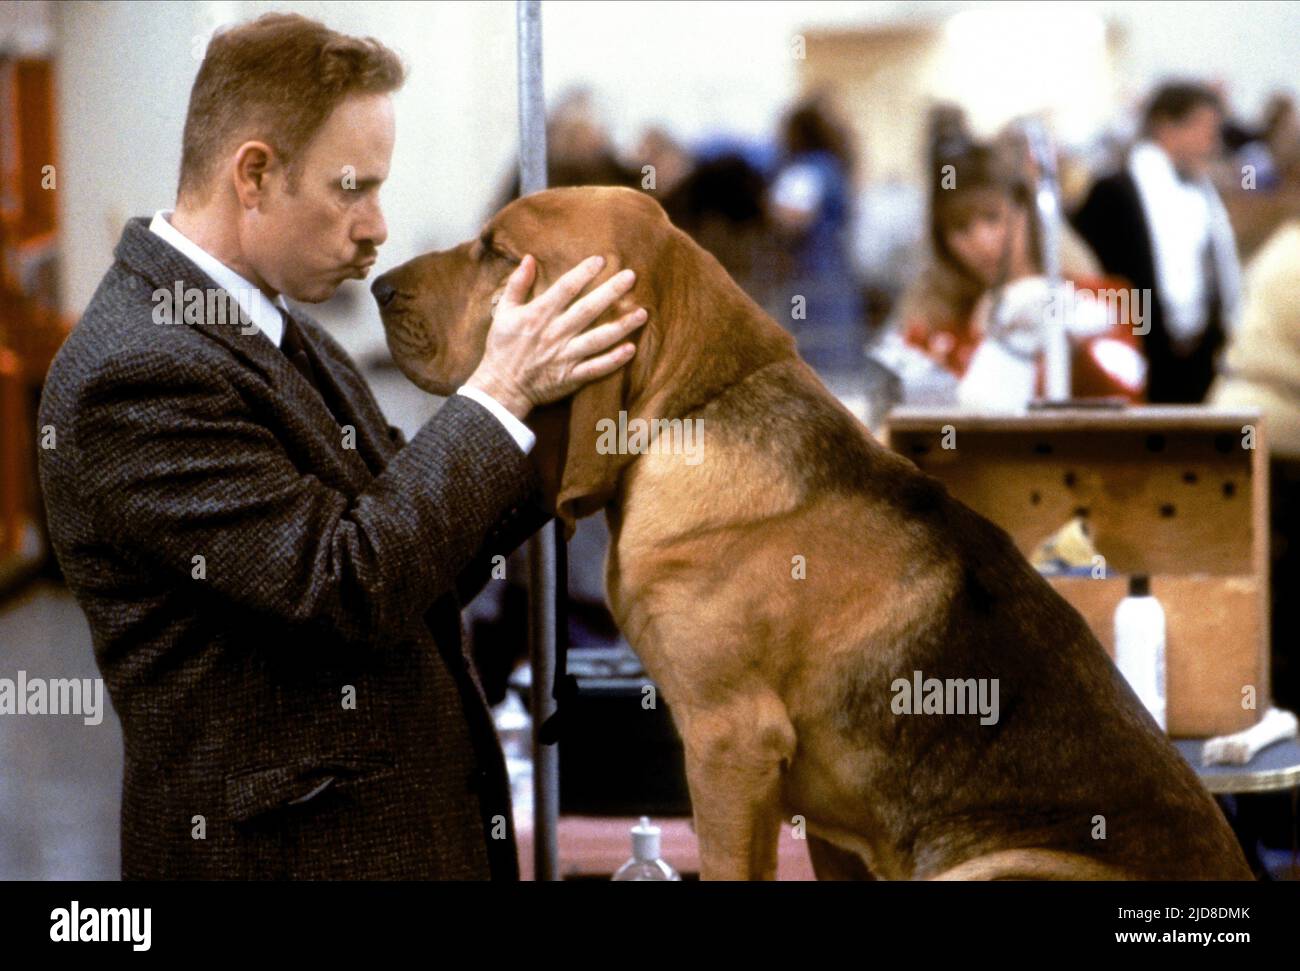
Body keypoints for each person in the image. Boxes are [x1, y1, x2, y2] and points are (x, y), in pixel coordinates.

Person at [35, 13, 645, 880]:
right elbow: (347, 581)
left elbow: (424, 544)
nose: (377, 227)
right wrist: (501, 392)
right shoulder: (137, 370)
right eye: (352, 188)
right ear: (254, 174)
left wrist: (566, 427)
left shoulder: (275, 327)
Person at [870, 142, 1145, 415]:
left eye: (993, 217)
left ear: (1027, 213)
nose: (982, 241)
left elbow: (1128, 395)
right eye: (960, 227)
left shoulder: (1107, 297)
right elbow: (920, 425)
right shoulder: (931, 326)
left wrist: (1076, 347)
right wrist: (982, 343)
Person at [1072, 82, 1241, 403]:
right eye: (1204, 129)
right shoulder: (1114, 191)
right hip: (1143, 353)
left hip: (1200, 358)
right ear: (1166, 127)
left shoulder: (1202, 192)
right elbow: (1093, 278)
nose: (1212, 143)